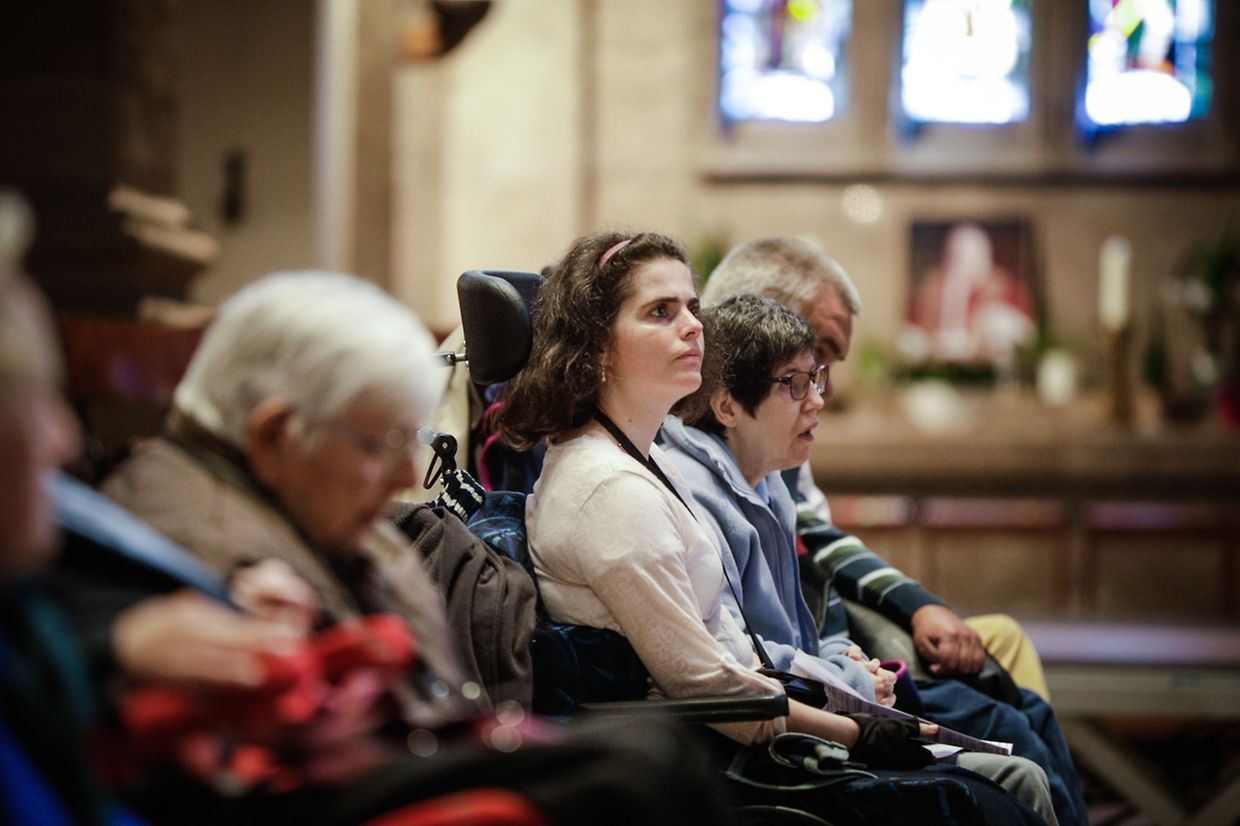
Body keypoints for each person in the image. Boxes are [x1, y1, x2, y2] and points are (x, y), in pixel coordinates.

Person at [0, 217, 736, 826]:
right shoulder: (194, 536)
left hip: (412, 753)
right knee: (638, 768)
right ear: (276, 436)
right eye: (381, 445)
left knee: (646, 756)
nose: (399, 478)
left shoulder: (315, 514)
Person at [497, 229, 1047, 825]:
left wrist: (850, 697)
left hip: (750, 727)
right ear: (597, 346)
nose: (692, 326)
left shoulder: (638, 456)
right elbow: (708, 688)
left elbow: (732, 651)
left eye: (692, 307)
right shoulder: (609, 489)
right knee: (1004, 792)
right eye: (661, 312)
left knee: (1008, 766)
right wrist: (857, 730)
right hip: (716, 767)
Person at [701, 236, 1089, 826]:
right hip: (810, 707)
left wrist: (856, 656)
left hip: (838, 672)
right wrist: (858, 680)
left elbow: (801, 609)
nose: (822, 393)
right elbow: (736, 660)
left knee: (1017, 702)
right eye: (806, 370)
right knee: (1008, 745)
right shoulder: (701, 472)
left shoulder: (766, 466)